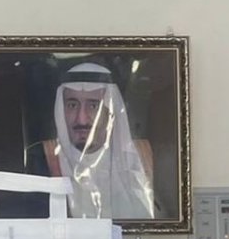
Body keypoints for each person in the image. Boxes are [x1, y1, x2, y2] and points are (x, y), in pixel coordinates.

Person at [28, 62, 155, 219]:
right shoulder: (42, 158)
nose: (81, 119)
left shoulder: (142, 156)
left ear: (111, 111)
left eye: (94, 106)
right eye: (72, 105)